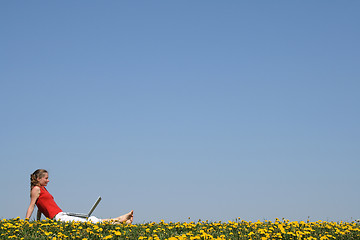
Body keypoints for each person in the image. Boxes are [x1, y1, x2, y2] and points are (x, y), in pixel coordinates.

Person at [25, 169, 133, 224]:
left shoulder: (43, 189)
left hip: (62, 214)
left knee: (90, 218)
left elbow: (40, 208)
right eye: (46, 178)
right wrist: (26, 222)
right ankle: (119, 219)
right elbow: (32, 206)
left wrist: (38, 223)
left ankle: (121, 222)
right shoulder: (36, 189)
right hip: (58, 218)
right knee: (89, 222)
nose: (48, 180)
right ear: (39, 179)